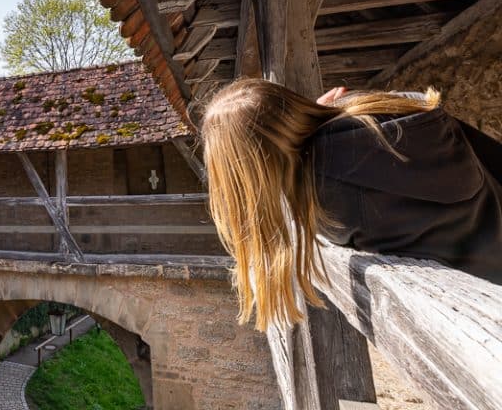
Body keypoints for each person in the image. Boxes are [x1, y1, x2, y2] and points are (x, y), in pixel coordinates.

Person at [200, 78, 502, 331]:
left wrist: (295, 150)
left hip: (483, 300)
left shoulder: (329, 198)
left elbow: (291, 202)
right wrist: (321, 119)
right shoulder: (380, 112)